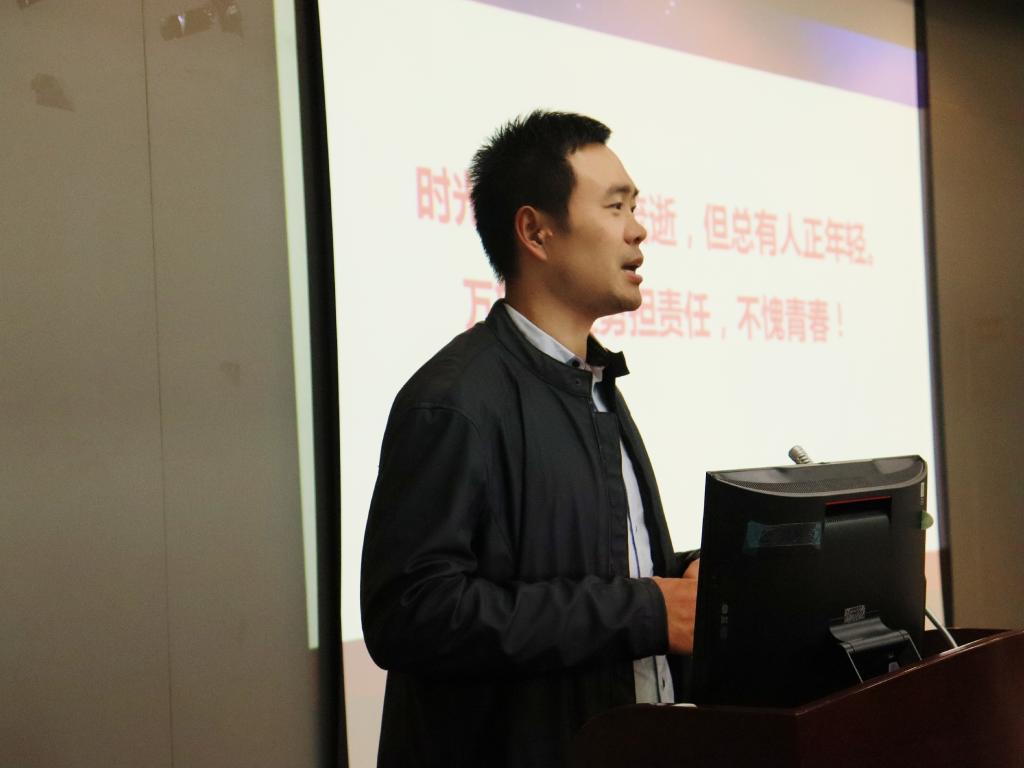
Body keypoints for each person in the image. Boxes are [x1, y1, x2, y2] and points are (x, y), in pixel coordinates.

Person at [361, 110, 700, 768]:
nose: (638, 229)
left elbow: (589, 569)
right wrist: (647, 611)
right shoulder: (454, 400)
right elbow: (412, 613)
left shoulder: (593, 384)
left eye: (635, 207)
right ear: (535, 231)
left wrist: (687, 577)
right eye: (615, 207)